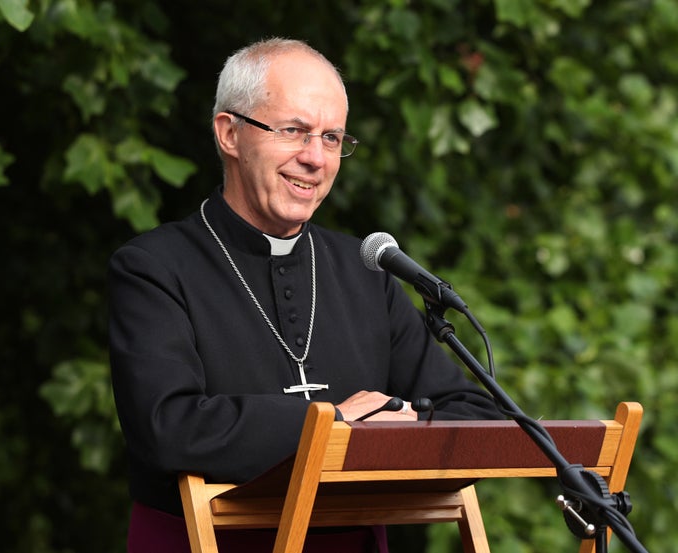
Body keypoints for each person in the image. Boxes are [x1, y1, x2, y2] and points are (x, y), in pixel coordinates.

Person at [108, 38, 502, 553]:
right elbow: (169, 426)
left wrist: (399, 421)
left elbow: (472, 412)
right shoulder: (154, 268)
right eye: (294, 131)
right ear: (230, 133)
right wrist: (335, 421)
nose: (315, 158)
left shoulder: (366, 273)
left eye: (333, 137)